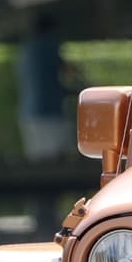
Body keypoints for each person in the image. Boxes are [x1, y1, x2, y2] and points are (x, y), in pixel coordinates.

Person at [15, 12, 80, 161]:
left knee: (38, 160)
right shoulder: (49, 46)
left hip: (28, 113)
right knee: (56, 157)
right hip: (49, 113)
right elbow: (65, 71)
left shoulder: (26, 50)